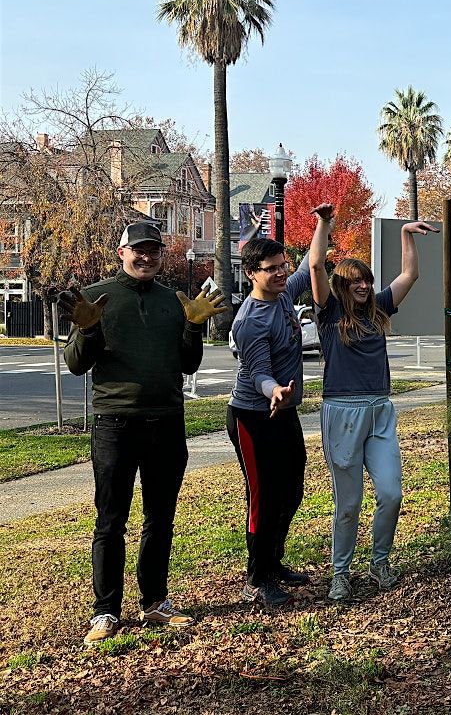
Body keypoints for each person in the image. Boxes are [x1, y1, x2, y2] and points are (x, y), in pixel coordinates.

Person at [60, 221, 226, 646]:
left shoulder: (174, 301)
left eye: (154, 250)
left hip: (166, 421)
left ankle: (154, 601)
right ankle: (106, 611)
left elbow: (188, 365)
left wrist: (193, 327)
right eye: (139, 249)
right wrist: (89, 329)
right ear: (122, 252)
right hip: (115, 424)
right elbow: (77, 364)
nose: (147, 256)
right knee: (111, 520)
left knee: (160, 517)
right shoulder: (97, 297)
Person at [310, 210, 437, 601]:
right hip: (342, 412)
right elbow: (315, 262)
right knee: (348, 503)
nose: (364, 285)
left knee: (391, 493)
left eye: (366, 279)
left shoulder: (379, 308)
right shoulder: (329, 313)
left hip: (380, 409)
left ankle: (379, 561)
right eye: (355, 281)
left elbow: (410, 275)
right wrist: (322, 225)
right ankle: (340, 572)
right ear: (341, 286)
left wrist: (405, 234)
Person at [228, 205, 332, 607]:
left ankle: (273, 562)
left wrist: (323, 223)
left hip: (283, 414)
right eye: (271, 268)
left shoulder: (285, 293)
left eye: (282, 265)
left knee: (291, 492)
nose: (281, 272)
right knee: (263, 497)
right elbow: (257, 371)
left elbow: (312, 262)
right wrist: (273, 390)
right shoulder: (251, 319)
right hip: (253, 417)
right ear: (252, 273)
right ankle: (257, 579)